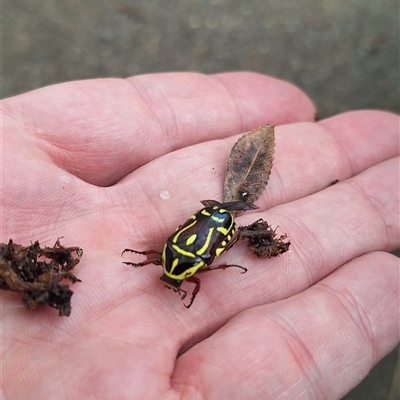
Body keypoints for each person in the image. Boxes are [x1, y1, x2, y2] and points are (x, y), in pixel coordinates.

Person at [1, 72, 398, 399]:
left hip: (215, 223)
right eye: (176, 282)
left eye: (173, 280)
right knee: (210, 246)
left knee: (208, 245)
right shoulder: (179, 261)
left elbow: (174, 258)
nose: (172, 282)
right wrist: (161, 260)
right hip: (215, 224)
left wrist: (156, 259)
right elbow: (183, 260)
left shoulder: (177, 260)